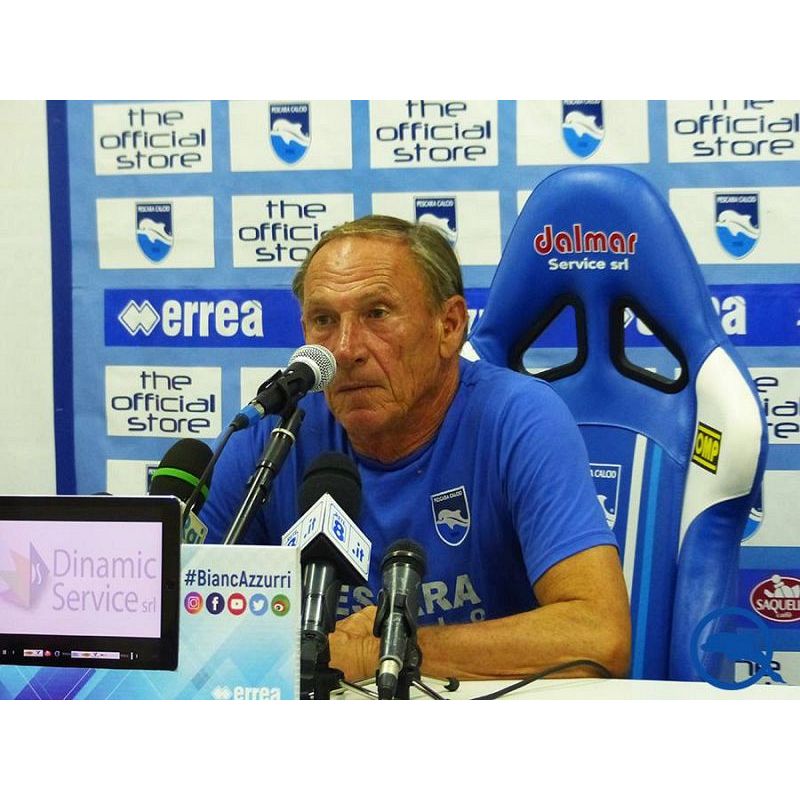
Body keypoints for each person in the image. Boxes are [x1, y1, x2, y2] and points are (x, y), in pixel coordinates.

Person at [200, 215, 631, 683]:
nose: (344, 350)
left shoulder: (518, 418)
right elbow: (188, 629)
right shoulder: (271, 436)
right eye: (324, 320)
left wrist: (379, 654)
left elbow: (599, 637)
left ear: (449, 326)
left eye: (377, 314)